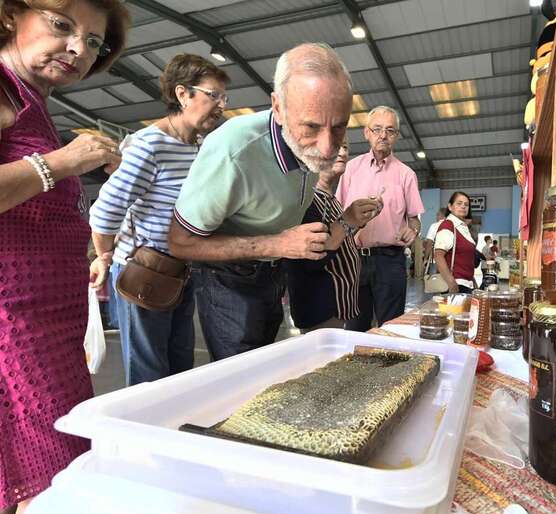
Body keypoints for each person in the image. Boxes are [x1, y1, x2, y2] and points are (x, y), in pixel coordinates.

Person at [0, 0, 129, 514]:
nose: (79, 48)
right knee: (53, 476)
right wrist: (63, 162)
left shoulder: (31, 100)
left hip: (50, 320)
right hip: (15, 321)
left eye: (95, 41)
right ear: (12, 14)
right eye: (62, 25)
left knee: (27, 471)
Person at [168, 43, 378, 360]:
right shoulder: (233, 150)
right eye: (311, 127)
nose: (327, 148)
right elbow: (180, 242)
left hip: (273, 277)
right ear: (278, 108)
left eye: (339, 126)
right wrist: (278, 245)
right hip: (228, 280)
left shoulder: (312, 149)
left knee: (265, 368)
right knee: (238, 380)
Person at [88, 54, 229, 386]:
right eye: (214, 95)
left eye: (225, 97)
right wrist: (105, 257)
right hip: (145, 272)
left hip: (182, 270)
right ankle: (145, 435)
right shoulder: (149, 144)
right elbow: (106, 209)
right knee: (149, 372)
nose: (221, 104)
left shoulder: (198, 147)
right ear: (183, 94)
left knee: (179, 365)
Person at [337, 105, 425, 331]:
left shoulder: (406, 174)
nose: (383, 135)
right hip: (354, 260)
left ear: (396, 135)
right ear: (367, 132)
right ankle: (355, 367)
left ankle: (389, 367)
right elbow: (338, 215)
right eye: (377, 129)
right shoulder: (350, 170)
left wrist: (413, 230)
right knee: (354, 327)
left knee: (391, 328)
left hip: (391, 261)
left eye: (390, 130)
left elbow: (414, 219)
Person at [286, 140, 375, 332]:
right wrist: (348, 221)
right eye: (337, 145)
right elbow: (312, 257)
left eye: (345, 147)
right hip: (320, 308)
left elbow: (339, 240)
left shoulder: (331, 198)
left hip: (338, 306)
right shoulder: (306, 199)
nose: (343, 152)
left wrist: (357, 221)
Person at [434, 192, 476, 294]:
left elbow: (465, 259)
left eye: (466, 205)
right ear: (450, 206)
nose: (463, 206)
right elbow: (438, 255)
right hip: (455, 285)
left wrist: (472, 280)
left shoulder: (463, 227)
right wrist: (451, 282)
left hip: (466, 284)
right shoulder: (448, 225)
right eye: (459, 203)